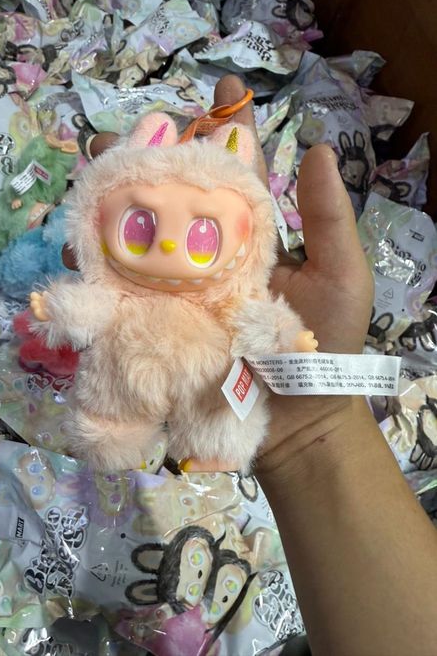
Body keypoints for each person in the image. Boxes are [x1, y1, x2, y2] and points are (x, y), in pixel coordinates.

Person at [77, 74, 437, 656]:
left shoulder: (235, 297)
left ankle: (212, 446)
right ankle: (116, 432)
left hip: (215, 373)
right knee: (112, 397)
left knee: (217, 407)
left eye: (199, 233)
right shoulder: (124, 287)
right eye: (143, 226)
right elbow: (86, 307)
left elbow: (267, 323)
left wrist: (291, 344)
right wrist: (68, 307)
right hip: (135, 355)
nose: (168, 247)